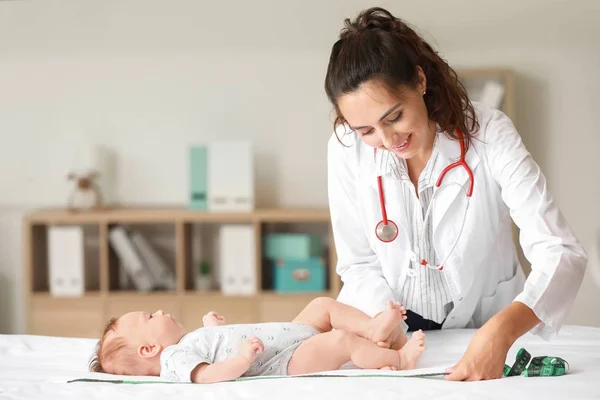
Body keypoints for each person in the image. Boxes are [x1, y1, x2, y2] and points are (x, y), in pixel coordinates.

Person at [324, 7, 587, 381]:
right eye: (366, 130)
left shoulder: (489, 133)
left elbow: (559, 250)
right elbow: (359, 264)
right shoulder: (346, 149)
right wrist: (384, 327)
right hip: (386, 335)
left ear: (419, 80)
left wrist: (501, 331)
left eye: (393, 117)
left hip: (482, 324)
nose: (386, 141)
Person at [89, 298, 426, 383]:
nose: (159, 311)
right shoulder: (174, 359)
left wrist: (211, 327)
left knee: (321, 307)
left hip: (287, 336)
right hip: (285, 361)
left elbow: (214, 348)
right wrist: (242, 361)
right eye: (150, 317)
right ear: (150, 350)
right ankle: (399, 361)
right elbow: (206, 376)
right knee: (338, 341)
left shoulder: (188, 342)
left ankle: (373, 330)